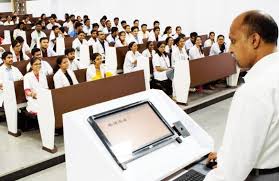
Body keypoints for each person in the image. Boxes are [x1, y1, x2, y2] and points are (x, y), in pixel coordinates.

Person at [204, 10, 279, 181]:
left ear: (254, 40)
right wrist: (228, 156)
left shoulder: (253, 91)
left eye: (233, 40)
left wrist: (228, 163)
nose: (230, 48)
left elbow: (230, 175)